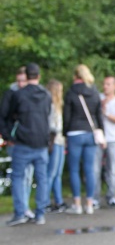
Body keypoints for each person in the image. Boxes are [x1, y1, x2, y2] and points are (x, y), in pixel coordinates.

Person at [0, 63, 51, 226]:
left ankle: (20, 212)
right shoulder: (46, 95)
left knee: (18, 177)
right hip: (41, 142)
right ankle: (40, 213)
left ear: (26, 76)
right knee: (42, 179)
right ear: (39, 76)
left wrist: (8, 135)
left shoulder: (19, 95)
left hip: (22, 142)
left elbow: (7, 116)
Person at [63, 64, 104, 215]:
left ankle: (77, 204)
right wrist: (101, 132)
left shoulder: (71, 92)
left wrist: (65, 132)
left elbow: (67, 116)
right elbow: (99, 115)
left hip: (74, 133)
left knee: (74, 169)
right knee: (89, 170)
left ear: (75, 76)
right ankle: (89, 204)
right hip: (91, 133)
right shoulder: (94, 92)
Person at [0, 66, 35, 218]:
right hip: (15, 141)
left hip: (29, 140)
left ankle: (24, 206)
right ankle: (21, 208)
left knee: (28, 175)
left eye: (24, 81)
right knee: (19, 175)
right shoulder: (11, 94)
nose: (21, 84)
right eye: (19, 80)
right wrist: (8, 137)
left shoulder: (31, 95)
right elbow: (3, 117)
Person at [94, 76, 115, 208]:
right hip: (99, 138)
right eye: (104, 84)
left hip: (112, 139)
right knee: (95, 169)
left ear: (114, 86)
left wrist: (106, 113)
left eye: (108, 84)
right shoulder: (98, 98)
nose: (105, 86)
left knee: (111, 169)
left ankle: (111, 197)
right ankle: (95, 198)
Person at [46, 79, 67, 213]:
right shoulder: (50, 106)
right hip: (54, 140)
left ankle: (59, 200)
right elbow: (51, 126)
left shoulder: (59, 106)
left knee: (57, 173)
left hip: (60, 141)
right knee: (51, 173)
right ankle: (45, 201)